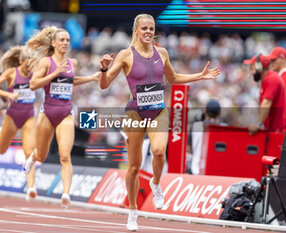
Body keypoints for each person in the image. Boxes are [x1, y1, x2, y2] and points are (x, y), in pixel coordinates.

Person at [99, 14, 220, 231]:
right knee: (134, 167)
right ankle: (133, 211)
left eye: (151, 28)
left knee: (158, 152)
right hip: (135, 113)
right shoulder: (126, 55)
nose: (148, 32)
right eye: (144, 28)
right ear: (136, 30)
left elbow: (172, 78)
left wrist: (199, 76)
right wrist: (103, 69)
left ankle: (155, 183)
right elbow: (104, 85)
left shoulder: (162, 53)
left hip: (158, 111)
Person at [23, 26, 100, 207]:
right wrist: (55, 73)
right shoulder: (45, 62)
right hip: (47, 112)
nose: (65, 43)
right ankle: (33, 158)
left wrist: (92, 77)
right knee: (41, 155)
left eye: (67, 40)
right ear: (53, 43)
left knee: (65, 156)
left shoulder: (72, 62)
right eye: (62, 40)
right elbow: (33, 85)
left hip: (65, 112)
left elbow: (72, 81)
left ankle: (66, 193)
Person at [0, 46, 38, 201]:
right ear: (20, 61)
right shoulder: (11, 73)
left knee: (29, 152)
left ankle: (31, 188)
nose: (29, 69)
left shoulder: (35, 74)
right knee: (2, 149)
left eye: (32, 66)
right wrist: (9, 94)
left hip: (29, 115)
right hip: (12, 116)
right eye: (27, 65)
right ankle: (1, 132)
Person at [244, 54, 286, 134]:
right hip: (275, 130)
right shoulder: (267, 80)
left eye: (252, 67)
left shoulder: (272, 78)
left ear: (259, 67)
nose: (251, 72)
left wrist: (258, 124)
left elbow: (266, 103)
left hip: (280, 131)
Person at [188, 98, 225, 175]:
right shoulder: (225, 129)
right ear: (219, 113)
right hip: (216, 172)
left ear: (205, 111)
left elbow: (189, 148)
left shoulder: (195, 126)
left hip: (196, 170)